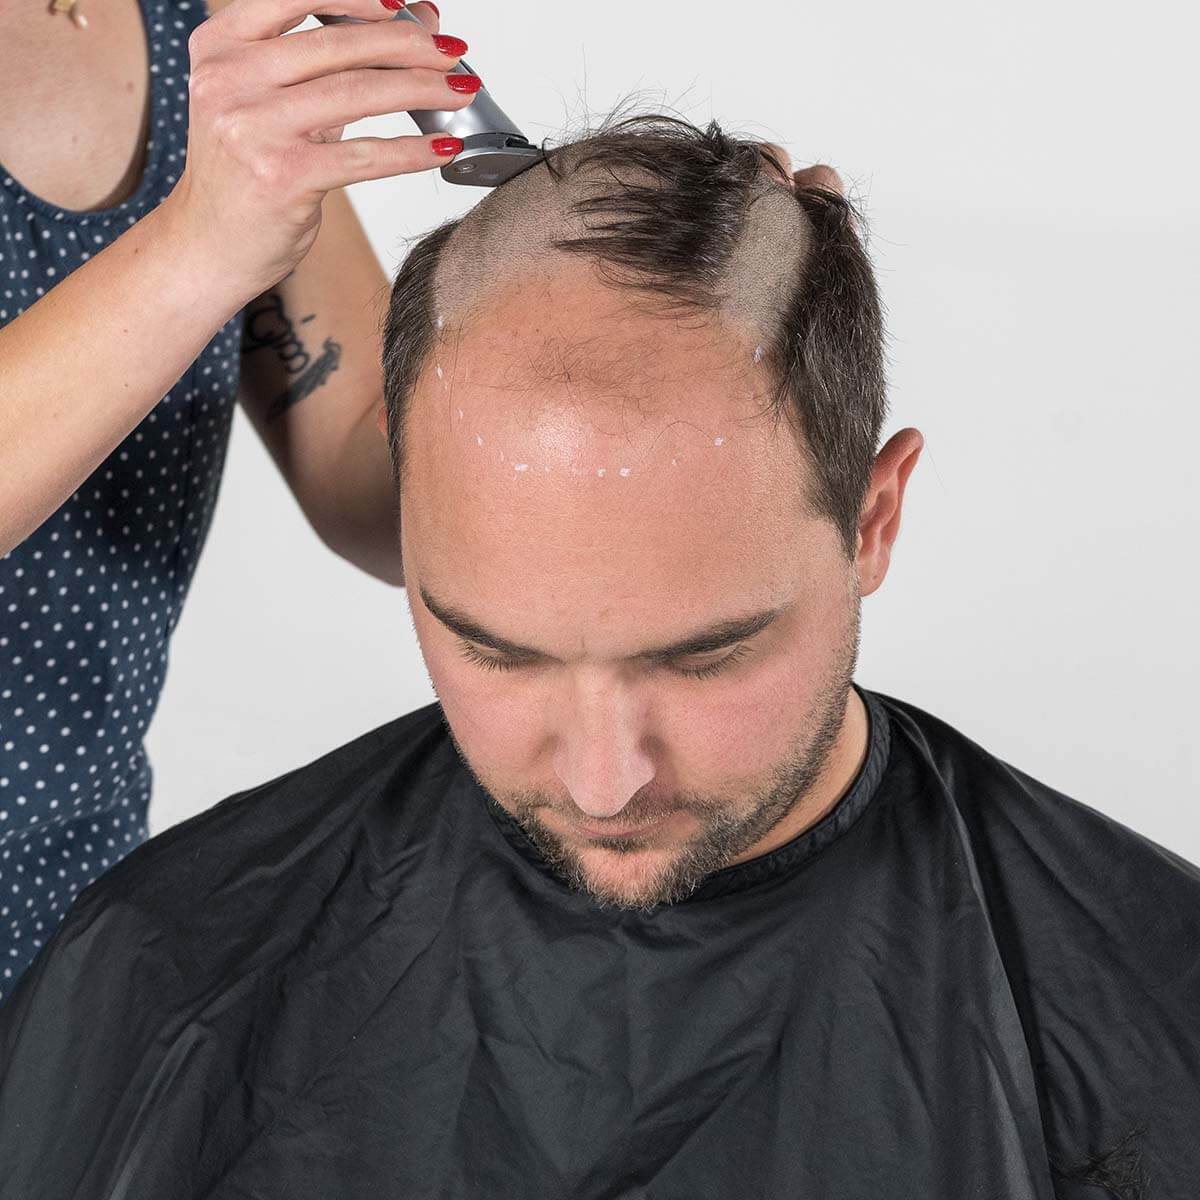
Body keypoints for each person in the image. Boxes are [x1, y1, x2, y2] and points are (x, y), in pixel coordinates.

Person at [1, 114, 1197, 1200]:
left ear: (873, 521)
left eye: (705, 659)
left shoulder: (1154, 1002)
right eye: (498, 654)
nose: (602, 782)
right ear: (413, 521)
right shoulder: (165, 972)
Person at [0, 0, 475, 1000]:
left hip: (69, 930)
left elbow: (362, 465)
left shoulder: (195, 31)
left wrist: (591, 323)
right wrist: (197, 249)